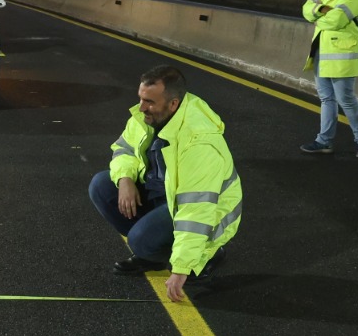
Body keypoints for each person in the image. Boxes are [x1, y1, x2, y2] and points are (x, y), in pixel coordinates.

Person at [88, 65, 242, 303]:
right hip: (164, 195)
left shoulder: (198, 142)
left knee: (141, 241)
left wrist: (181, 268)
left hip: (202, 212)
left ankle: (205, 256)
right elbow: (124, 148)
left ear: (173, 104)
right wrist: (125, 179)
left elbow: (196, 210)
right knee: (101, 184)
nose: (141, 108)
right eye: (140, 98)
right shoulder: (146, 117)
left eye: (149, 102)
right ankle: (151, 251)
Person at [299, 0, 358, 158]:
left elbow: (337, 20)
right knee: (326, 98)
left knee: (345, 99)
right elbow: (306, 7)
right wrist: (323, 8)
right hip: (322, 52)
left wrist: (317, 17)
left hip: (343, 55)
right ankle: (324, 141)